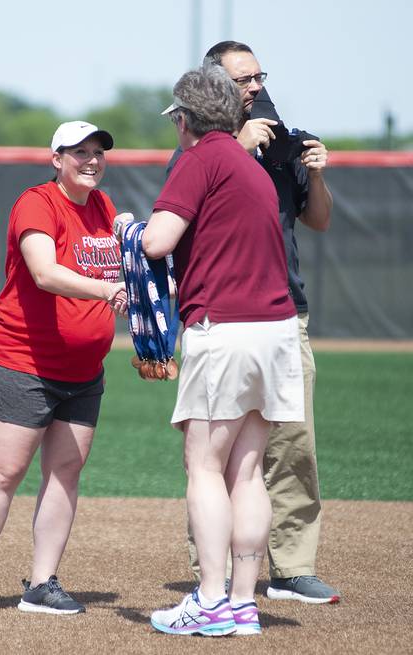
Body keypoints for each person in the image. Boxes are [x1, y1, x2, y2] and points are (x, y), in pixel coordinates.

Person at [137, 65, 305, 636]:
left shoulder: (201, 158)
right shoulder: (248, 165)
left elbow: (159, 241)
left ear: (183, 120)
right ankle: (241, 603)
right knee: (248, 471)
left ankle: (209, 601)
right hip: (277, 327)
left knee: (205, 466)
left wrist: (128, 232)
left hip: (224, 327)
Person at [182, 40, 339, 605]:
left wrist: (315, 173)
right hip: (218, 314)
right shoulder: (202, 147)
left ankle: (293, 568)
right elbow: (181, 219)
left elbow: (315, 221)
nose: (254, 86)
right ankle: (213, 572)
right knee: (217, 454)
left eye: (258, 76)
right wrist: (239, 149)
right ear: (215, 85)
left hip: (282, 313)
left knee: (293, 448)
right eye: (242, 79)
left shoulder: (281, 139)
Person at [0, 121, 125, 617]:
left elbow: (118, 269)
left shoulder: (104, 207)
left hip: (83, 369)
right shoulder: (38, 202)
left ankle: (42, 582)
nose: (92, 160)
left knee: (65, 473)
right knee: (4, 472)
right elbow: (44, 273)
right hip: (23, 360)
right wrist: (104, 292)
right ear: (57, 159)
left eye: (98, 152)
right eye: (80, 153)